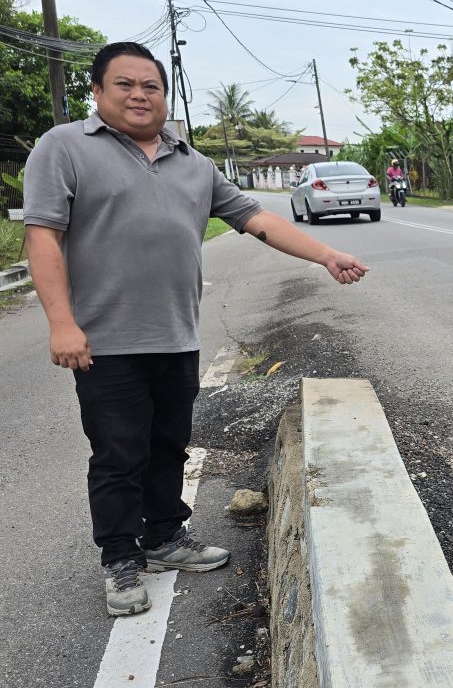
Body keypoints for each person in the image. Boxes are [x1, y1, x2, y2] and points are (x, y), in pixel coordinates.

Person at [23, 42, 369, 617]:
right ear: (98, 92)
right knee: (117, 454)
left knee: (167, 445)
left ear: (165, 94)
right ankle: (119, 557)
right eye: (125, 85)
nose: (139, 95)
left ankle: (161, 539)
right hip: (104, 342)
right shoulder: (63, 148)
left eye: (150, 86)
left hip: (177, 335)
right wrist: (61, 323)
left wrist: (326, 254)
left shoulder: (194, 163)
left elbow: (257, 221)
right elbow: (43, 235)